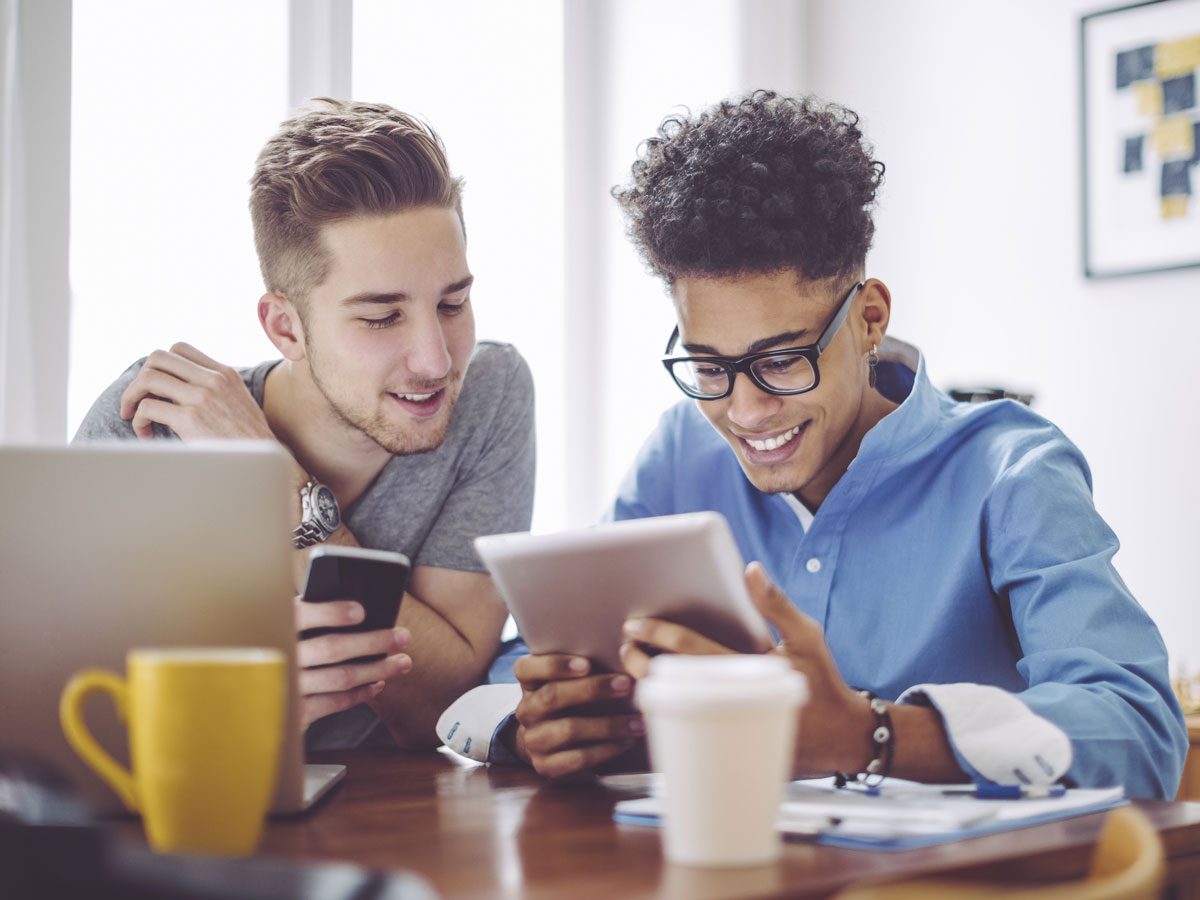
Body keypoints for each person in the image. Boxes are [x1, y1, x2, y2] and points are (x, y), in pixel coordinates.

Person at [440, 91, 1186, 799]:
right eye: (709, 367)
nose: (746, 408)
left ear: (868, 319)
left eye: (781, 360)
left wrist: (872, 734)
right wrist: (554, 714)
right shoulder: (680, 455)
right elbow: (526, 664)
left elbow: (1142, 734)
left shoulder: (1011, 472)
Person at [73, 99, 536, 751]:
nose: (436, 361)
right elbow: (61, 728)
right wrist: (233, 717)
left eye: (453, 303)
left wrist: (279, 480)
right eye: (381, 317)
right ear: (285, 327)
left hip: (400, 825)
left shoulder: (489, 392)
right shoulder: (151, 427)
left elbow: (445, 704)